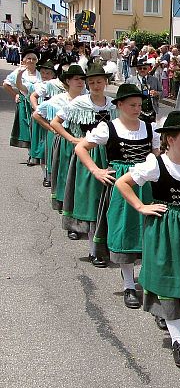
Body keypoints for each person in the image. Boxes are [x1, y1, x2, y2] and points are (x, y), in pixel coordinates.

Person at [116, 111, 180, 366]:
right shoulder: (155, 165)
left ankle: (169, 315)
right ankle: (178, 341)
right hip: (163, 228)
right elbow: (122, 184)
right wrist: (141, 207)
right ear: (169, 140)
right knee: (167, 278)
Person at [75, 84, 160, 309]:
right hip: (121, 185)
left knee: (147, 230)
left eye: (139, 105)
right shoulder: (108, 128)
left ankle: (148, 280)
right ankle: (129, 285)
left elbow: (157, 156)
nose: (136, 109)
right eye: (132, 105)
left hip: (146, 184)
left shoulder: (150, 128)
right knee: (124, 231)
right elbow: (81, 148)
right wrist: (97, 170)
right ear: (119, 105)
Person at [53, 65, 117, 265]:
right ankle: (93, 250)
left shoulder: (114, 105)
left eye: (99, 81)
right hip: (88, 155)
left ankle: (107, 245)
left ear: (105, 82)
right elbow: (56, 122)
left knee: (107, 203)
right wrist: (73, 139)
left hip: (109, 155)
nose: (95, 85)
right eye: (91, 82)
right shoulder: (79, 103)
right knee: (91, 202)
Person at [43, 65, 87, 215]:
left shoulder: (87, 98)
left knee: (81, 177)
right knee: (65, 173)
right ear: (68, 81)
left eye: (82, 79)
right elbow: (37, 114)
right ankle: (64, 203)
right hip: (65, 141)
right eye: (76, 79)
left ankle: (79, 208)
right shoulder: (58, 99)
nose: (80, 82)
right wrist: (59, 133)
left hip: (85, 141)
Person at [3, 49, 41, 154]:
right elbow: (6, 84)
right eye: (29, 58)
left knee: (37, 127)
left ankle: (36, 151)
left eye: (34, 59)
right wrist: (15, 95)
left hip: (38, 102)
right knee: (27, 126)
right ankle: (31, 152)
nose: (31, 61)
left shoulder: (40, 73)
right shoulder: (19, 71)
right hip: (24, 102)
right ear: (24, 61)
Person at [126, 57, 162, 124]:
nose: (142, 70)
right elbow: (125, 96)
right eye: (140, 68)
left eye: (144, 68)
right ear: (137, 69)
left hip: (151, 112)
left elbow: (162, 93)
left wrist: (156, 93)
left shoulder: (154, 80)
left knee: (151, 131)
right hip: (136, 111)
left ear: (148, 69)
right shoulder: (130, 81)